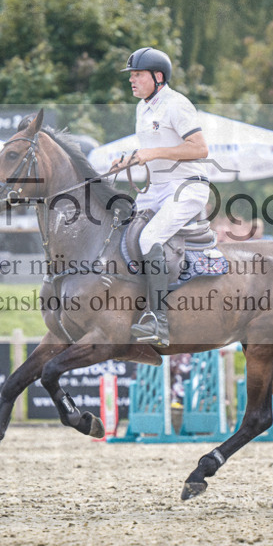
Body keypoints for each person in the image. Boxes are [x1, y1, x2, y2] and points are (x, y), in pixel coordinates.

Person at [110, 47, 209, 348]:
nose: (132, 80)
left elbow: (200, 149)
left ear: (158, 76)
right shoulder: (143, 107)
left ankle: (159, 322)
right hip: (156, 188)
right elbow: (151, 150)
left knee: (148, 239)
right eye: (132, 76)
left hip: (186, 186)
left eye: (137, 75)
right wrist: (128, 160)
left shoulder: (177, 105)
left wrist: (155, 153)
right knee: (120, 229)